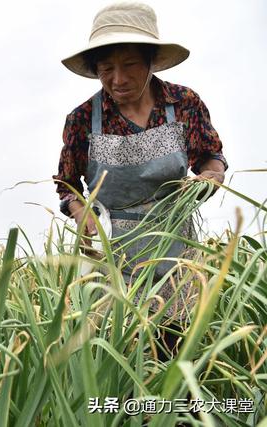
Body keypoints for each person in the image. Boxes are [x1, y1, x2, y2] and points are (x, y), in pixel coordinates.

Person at [55, 2, 227, 360]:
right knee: (123, 355)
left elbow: (211, 158)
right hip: (114, 253)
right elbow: (67, 183)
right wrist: (79, 209)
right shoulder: (83, 119)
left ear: (151, 61)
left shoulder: (183, 104)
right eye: (106, 68)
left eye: (129, 64)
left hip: (177, 248)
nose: (118, 79)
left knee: (178, 354)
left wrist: (211, 177)